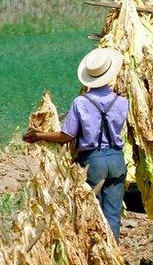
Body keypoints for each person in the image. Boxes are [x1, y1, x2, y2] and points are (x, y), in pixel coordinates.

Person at [23, 48, 129, 240]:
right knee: (112, 216)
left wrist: (39, 135)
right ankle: (112, 256)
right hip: (116, 159)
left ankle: (94, 259)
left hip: (93, 162)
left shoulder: (81, 102)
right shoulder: (122, 102)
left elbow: (67, 135)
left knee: (91, 214)